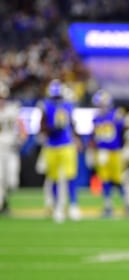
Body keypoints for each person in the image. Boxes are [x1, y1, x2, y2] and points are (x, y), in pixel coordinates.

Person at [37, 79, 81, 223]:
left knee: (70, 176)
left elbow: (73, 124)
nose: (57, 99)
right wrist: (52, 128)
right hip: (52, 145)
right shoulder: (45, 106)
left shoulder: (68, 106)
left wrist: (77, 138)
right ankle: (57, 207)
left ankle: (73, 205)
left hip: (67, 144)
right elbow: (41, 127)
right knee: (54, 178)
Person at [88, 89, 126, 217]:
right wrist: (92, 150)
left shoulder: (116, 115)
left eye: (102, 103)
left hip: (115, 152)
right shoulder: (96, 118)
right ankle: (108, 205)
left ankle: (127, 204)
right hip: (102, 153)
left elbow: (123, 131)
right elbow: (93, 137)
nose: (100, 106)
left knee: (119, 180)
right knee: (105, 180)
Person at [0, 82, 27, 214]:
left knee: (12, 182)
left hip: (11, 149)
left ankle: (4, 200)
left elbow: (22, 127)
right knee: (0, 179)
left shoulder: (12, 109)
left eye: (2, 97)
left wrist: (21, 138)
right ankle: (3, 204)